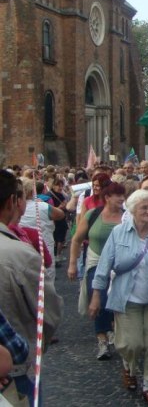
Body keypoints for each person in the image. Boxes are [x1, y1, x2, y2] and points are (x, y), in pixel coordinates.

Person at [90, 189, 148, 406]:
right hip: (127, 299)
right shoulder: (119, 233)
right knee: (130, 344)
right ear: (132, 210)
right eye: (144, 207)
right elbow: (103, 266)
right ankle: (128, 366)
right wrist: (96, 296)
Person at [0, 170, 63, 404]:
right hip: (16, 368)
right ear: (12, 203)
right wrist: (38, 345)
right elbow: (49, 313)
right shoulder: (21, 254)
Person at [68, 182, 125, 360]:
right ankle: (102, 339)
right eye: (118, 196)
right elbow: (77, 239)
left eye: (123, 196)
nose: (122, 199)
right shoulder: (94, 214)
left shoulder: (127, 217)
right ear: (107, 198)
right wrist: (72, 263)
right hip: (95, 262)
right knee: (98, 294)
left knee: (115, 299)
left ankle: (114, 330)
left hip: (120, 265)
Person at [19, 177, 65, 278]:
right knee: (46, 279)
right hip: (44, 244)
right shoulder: (42, 206)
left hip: (22, 248)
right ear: (32, 191)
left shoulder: (15, 208)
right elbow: (61, 214)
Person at [48, 177, 69, 265]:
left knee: (61, 237)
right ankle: (56, 255)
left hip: (61, 218)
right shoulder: (49, 195)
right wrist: (60, 207)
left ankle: (57, 254)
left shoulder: (60, 194)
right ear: (53, 185)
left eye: (61, 185)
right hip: (55, 219)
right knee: (57, 237)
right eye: (58, 185)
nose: (60, 187)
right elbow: (48, 209)